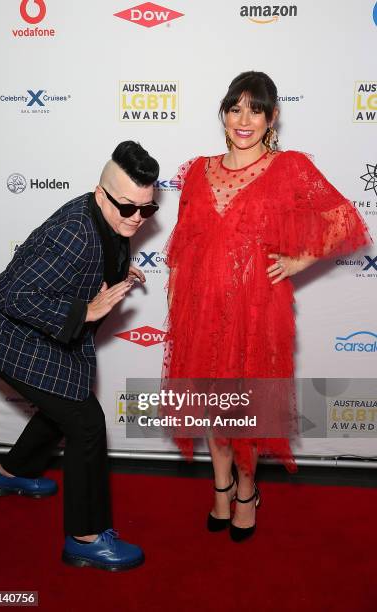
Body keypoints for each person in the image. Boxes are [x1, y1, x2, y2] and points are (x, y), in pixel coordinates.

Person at [163, 71, 371, 542]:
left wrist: (301, 259)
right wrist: (177, 303)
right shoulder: (197, 170)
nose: (244, 119)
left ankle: (245, 491)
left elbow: (344, 220)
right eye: (235, 108)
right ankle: (220, 489)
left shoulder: (290, 168)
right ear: (223, 113)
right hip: (201, 309)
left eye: (255, 109)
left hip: (258, 313)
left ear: (271, 117)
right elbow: (182, 246)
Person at [0, 141, 160, 570]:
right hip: (6, 331)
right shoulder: (75, 232)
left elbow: (90, 254)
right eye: (127, 208)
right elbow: (19, 295)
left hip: (35, 330)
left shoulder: (105, 217)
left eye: (147, 211)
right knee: (86, 421)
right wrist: (87, 310)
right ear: (99, 193)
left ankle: (10, 475)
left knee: (65, 402)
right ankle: (85, 536)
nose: (136, 219)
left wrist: (115, 270)